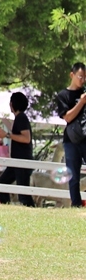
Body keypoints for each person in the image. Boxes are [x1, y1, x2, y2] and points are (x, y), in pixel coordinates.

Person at [0, 92, 35, 207]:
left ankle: (33, 213)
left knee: (23, 194)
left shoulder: (21, 118)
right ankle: (8, 208)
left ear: (12, 104)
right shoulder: (20, 118)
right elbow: (17, 131)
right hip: (17, 161)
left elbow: (26, 138)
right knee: (1, 186)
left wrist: (6, 135)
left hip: (22, 161)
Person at [55, 62, 86, 207]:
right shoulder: (63, 95)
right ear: (72, 75)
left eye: (85, 77)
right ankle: (76, 204)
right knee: (73, 174)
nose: (82, 80)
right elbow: (67, 117)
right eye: (80, 77)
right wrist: (81, 102)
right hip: (71, 140)